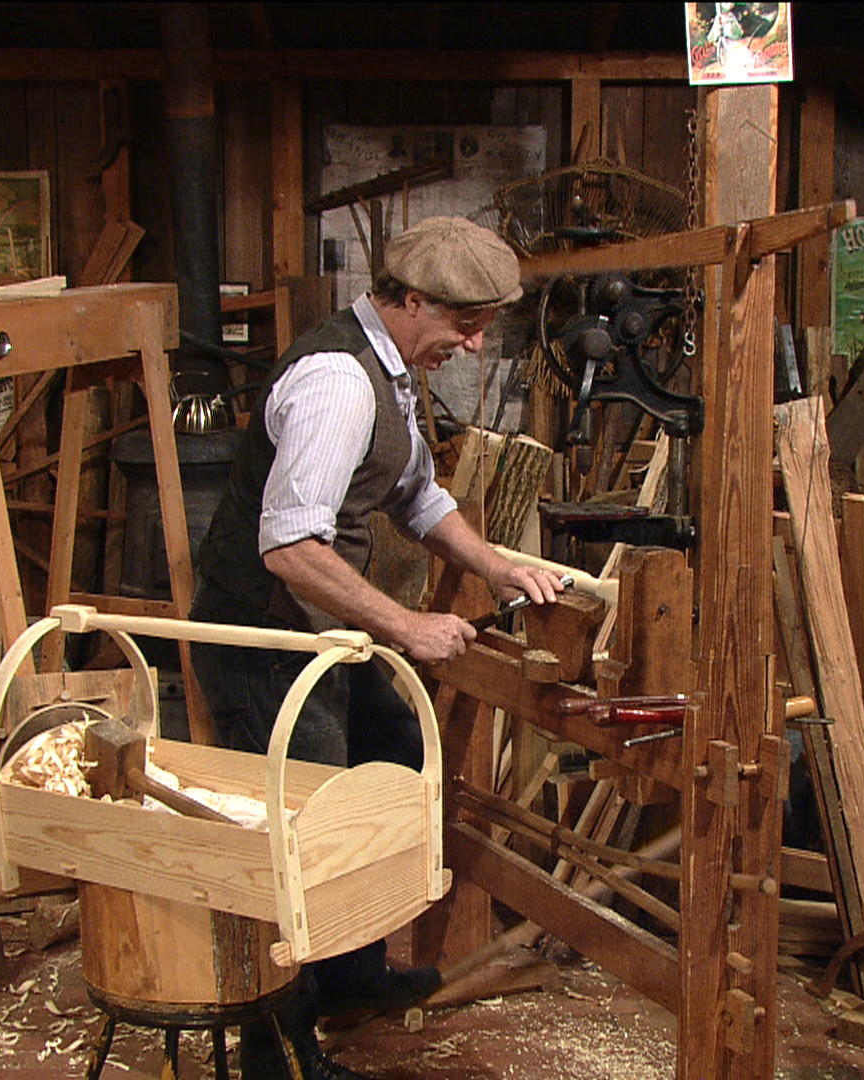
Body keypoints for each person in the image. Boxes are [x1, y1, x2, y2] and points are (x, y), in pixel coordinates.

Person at [188, 216, 566, 1080]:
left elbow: (416, 495)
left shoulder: (389, 373)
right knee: (299, 843)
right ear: (408, 300)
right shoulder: (337, 384)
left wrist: (497, 569)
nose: (470, 347)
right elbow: (289, 549)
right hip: (262, 640)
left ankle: (349, 978)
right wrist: (406, 627)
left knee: (391, 758)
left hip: (317, 634)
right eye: (463, 326)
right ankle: (277, 1055)